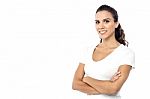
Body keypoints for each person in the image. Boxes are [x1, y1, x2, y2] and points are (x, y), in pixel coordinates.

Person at [72, 4, 135, 99]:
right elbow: (75, 84)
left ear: (116, 23)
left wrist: (86, 79)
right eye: (97, 22)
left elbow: (114, 89)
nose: (100, 26)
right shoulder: (87, 50)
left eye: (106, 21)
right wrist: (107, 86)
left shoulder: (125, 53)